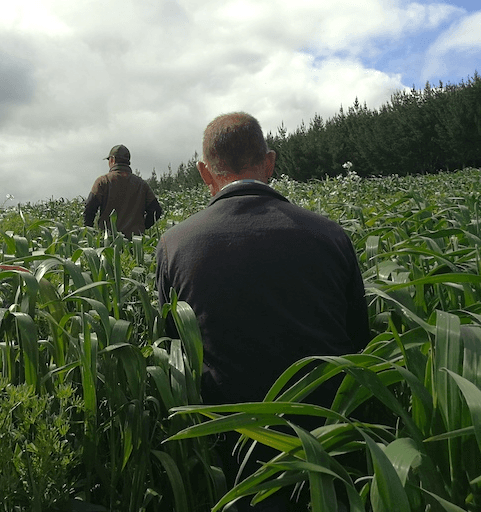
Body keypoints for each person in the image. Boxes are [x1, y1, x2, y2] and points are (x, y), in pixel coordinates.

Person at [155, 112, 369, 510]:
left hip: (231, 462)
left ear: (205, 173)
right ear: (269, 163)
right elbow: (360, 343)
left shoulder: (174, 245)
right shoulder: (330, 235)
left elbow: (175, 352)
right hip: (329, 454)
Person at [83, 144, 163, 237]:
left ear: (112, 160)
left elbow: (89, 209)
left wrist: (89, 234)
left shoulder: (103, 181)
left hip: (108, 243)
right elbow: (156, 210)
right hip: (135, 245)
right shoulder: (142, 184)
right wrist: (142, 227)